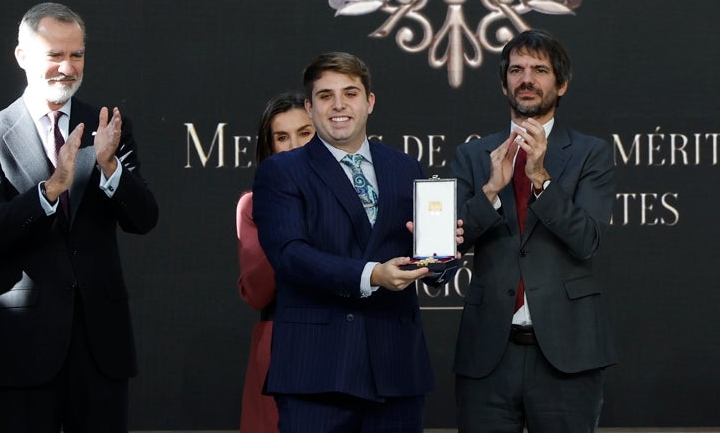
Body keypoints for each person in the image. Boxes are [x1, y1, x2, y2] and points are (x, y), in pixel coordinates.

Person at [0, 2, 159, 433]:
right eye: (55, 55)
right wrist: (50, 190)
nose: (67, 68)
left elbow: (143, 219)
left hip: (100, 344)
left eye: (77, 55)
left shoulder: (106, 125)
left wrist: (110, 168)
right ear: (23, 56)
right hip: (22, 344)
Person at [252, 52, 442, 433]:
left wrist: (442, 254)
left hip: (396, 368)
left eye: (350, 93)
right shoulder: (281, 170)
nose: (338, 105)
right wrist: (372, 275)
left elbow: (429, 261)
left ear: (369, 102)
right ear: (310, 107)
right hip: (317, 371)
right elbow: (289, 255)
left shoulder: (405, 166)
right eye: (325, 96)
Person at [450, 29, 616, 433]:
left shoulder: (590, 153)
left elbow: (587, 240)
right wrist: (490, 190)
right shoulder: (473, 156)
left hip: (566, 353)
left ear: (561, 85)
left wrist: (540, 176)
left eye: (540, 70)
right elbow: (449, 243)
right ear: (503, 82)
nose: (527, 78)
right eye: (517, 69)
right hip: (490, 352)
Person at [236, 92, 314, 433]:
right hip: (280, 347)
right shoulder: (254, 206)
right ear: (269, 147)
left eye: (304, 133)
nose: (293, 145)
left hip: (347, 345)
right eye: (281, 137)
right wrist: (286, 217)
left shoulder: (357, 195)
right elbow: (257, 293)